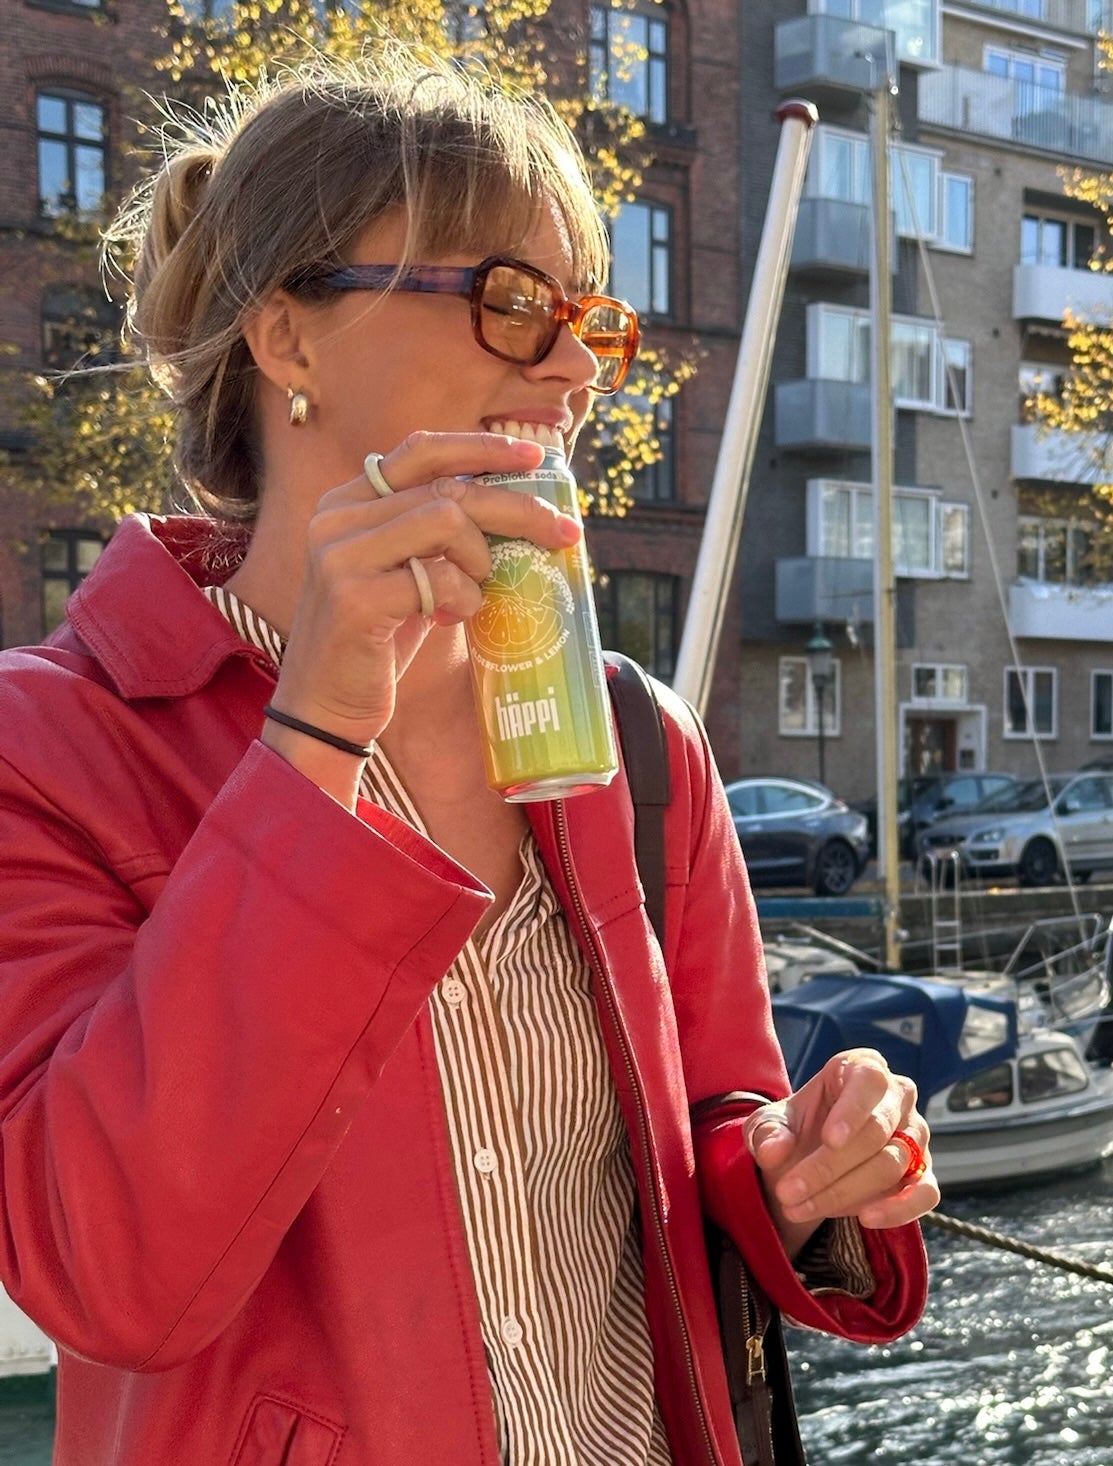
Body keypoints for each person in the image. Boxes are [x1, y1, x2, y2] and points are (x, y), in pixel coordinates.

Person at [0, 51, 933, 1466]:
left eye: (585, 319)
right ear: (287, 336)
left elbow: (712, 1130)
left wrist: (811, 1166)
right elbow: (100, 1266)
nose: (570, 368)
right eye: (509, 300)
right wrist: (313, 734)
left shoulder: (633, 738)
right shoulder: (53, 742)